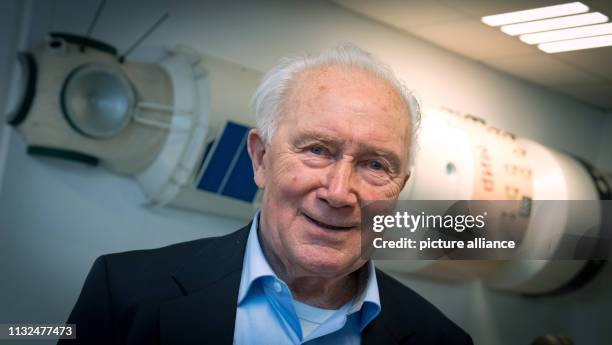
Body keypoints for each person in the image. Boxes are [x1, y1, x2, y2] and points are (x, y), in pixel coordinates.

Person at [59, 44, 472, 345]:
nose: (339, 192)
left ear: (399, 189)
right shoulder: (126, 293)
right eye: (317, 150)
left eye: (375, 165)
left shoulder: (443, 340)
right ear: (259, 159)